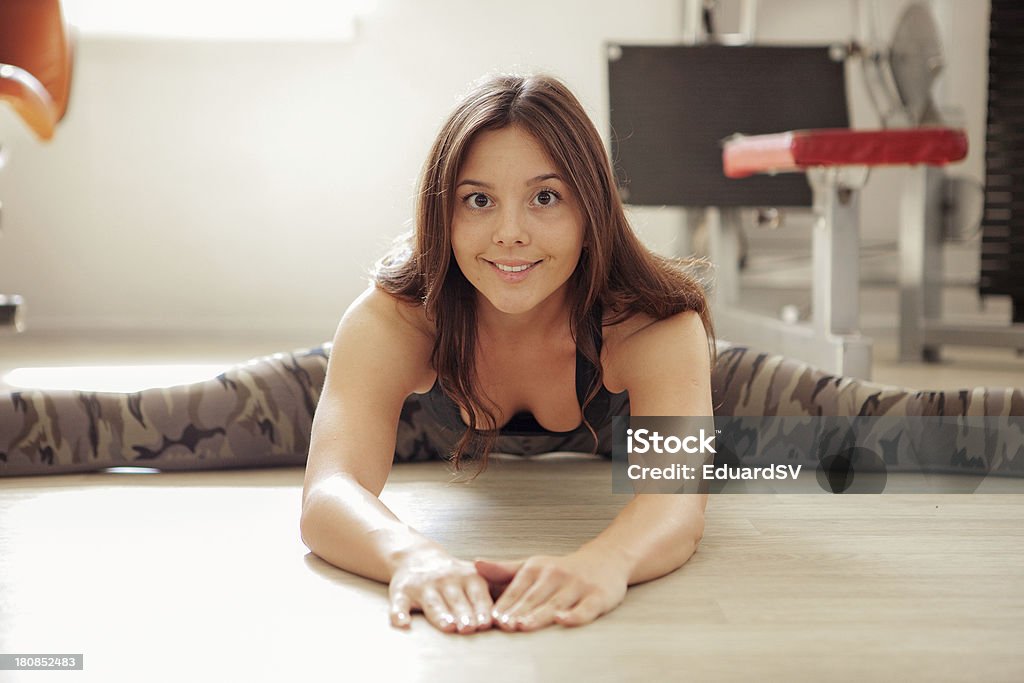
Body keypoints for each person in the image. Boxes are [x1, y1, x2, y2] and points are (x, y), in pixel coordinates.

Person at [299, 72, 716, 635]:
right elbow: (328, 490)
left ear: (591, 212)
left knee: (851, 431)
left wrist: (606, 561)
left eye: (545, 197)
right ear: (442, 215)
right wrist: (409, 556)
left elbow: (677, 500)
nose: (509, 233)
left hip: (675, 391)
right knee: (177, 423)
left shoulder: (654, 327)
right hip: (420, 426)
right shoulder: (394, 316)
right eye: (478, 200)